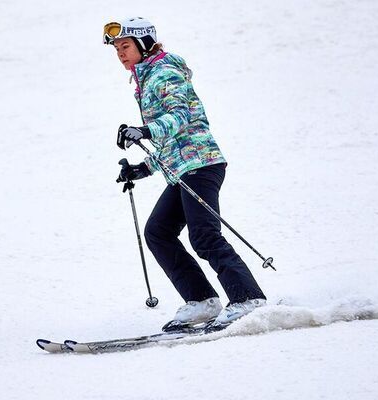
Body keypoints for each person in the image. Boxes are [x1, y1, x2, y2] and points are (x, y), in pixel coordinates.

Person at [104, 17, 267, 331]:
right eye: (117, 49)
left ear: (143, 44)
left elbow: (183, 115)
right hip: (183, 168)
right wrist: (143, 169)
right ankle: (202, 301)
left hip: (202, 164)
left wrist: (145, 130)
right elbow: (173, 138)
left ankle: (248, 298)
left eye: (125, 46)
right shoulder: (146, 79)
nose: (120, 54)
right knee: (158, 232)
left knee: (204, 235)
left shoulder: (164, 72)